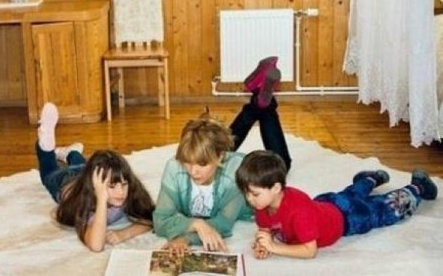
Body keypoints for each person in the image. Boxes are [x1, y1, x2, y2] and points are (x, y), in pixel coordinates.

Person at [236, 150, 438, 260]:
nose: (249, 198)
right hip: (326, 204)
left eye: (254, 193)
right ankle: (370, 179)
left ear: (276, 188)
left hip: (348, 219)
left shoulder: (298, 211)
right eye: (246, 192)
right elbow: (267, 228)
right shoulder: (261, 205)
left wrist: (275, 248)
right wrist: (263, 243)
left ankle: (418, 187)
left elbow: (309, 250)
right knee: (350, 194)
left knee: (384, 208)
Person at [35, 102, 155, 252]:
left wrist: (124, 234)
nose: (121, 192)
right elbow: (96, 245)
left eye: (124, 184)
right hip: (67, 181)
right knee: (48, 171)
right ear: (96, 187)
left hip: (89, 171)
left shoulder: (128, 190)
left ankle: (71, 152)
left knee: (82, 163)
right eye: (112, 186)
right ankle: (45, 145)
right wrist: (102, 200)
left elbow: (154, 218)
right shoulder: (85, 204)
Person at [153, 111, 254, 255]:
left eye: (202, 164)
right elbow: (160, 220)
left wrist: (185, 238)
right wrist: (196, 224)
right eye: (187, 162)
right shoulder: (174, 166)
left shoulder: (235, 170)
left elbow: (224, 222)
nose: (193, 171)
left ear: (220, 156)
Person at [229, 56, 292, 171]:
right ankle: (257, 91)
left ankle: (258, 96)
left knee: (218, 152)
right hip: (208, 153)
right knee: (281, 165)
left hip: (208, 154)